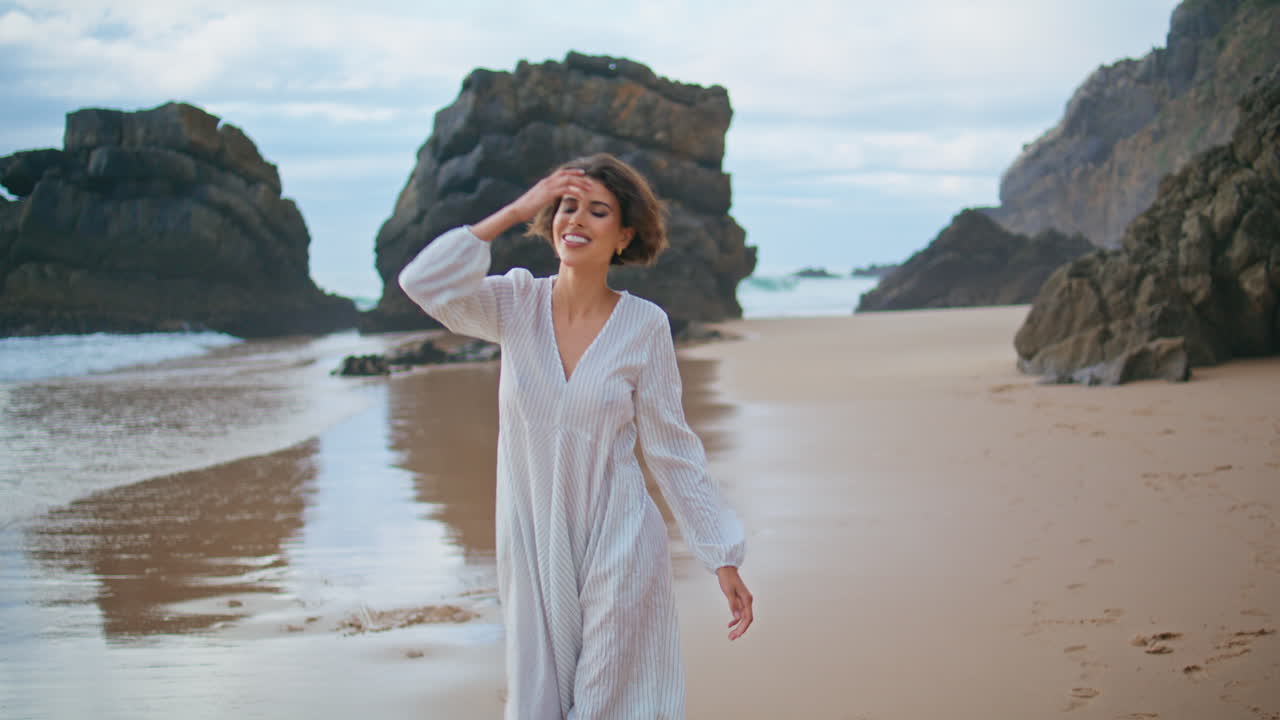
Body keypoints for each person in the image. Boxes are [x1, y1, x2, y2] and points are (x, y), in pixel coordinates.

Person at [398, 153, 753, 719]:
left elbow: (672, 451)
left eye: (597, 211)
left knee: (607, 701)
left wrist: (722, 557)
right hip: (535, 543)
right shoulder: (514, 304)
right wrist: (514, 210)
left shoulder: (644, 326)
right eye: (565, 207)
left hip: (621, 538)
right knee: (542, 705)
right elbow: (422, 283)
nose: (576, 220)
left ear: (624, 236)